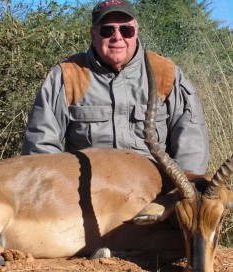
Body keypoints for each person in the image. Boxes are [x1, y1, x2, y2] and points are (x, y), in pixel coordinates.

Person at [22, 0, 209, 175]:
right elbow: (40, 148)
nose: (117, 37)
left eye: (126, 30)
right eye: (107, 30)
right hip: (85, 196)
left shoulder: (166, 73)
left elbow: (192, 148)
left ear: (136, 32)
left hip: (155, 197)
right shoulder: (67, 75)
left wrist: (181, 198)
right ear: (93, 34)